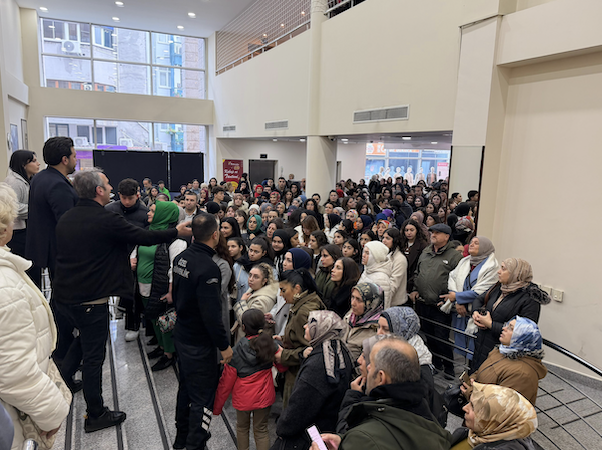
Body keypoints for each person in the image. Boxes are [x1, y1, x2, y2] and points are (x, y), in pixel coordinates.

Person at [52, 169, 193, 433]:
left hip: (63, 297)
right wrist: (175, 231)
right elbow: (144, 236)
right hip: (90, 300)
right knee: (94, 357)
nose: (111, 190)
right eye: (107, 185)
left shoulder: (67, 217)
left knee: (82, 340)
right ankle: (96, 414)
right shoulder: (105, 218)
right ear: (99, 190)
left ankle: (65, 378)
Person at [0, 183, 71, 450]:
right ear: (4, 228)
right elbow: (14, 370)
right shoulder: (5, 285)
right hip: (13, 415)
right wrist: (52, 412)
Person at [314, 337, 453, 450]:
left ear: (381, 377)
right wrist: (344, 441)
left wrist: (351, 442)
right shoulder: (429, 418)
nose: (366, 366)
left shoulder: (363, 438)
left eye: (371, 364)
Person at [172, 213, 233, 449]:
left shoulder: (181, 258)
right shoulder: (209, 268)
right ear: (215, 235)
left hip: (182, 334)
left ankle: (181, 438)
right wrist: (224, 346)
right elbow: (211, 315)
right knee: (203, 399)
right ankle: (195, 443)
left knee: (186, 388)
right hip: (199, 343)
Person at [274, 311, 354, 450]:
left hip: (308, 438)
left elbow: (301, 406)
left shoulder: (318, 364)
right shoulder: (340, 351)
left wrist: (283, 427)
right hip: (326, 428)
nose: (305, 326)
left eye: (310, 323)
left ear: (322, 329)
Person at [133, 201, 187, 371]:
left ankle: (169, 354)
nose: (148, 213)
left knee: (164, 320)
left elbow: (174, 268)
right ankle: (162, 347)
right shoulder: (148, 232)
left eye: (153, 211)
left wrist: (171, 291)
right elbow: (137, 249)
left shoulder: (176, 240)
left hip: (160, 287)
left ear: (164, 215)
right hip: (143, 285)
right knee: (153, 318)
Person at [214, 309, 280, 450]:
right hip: (265, 396)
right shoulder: (270, 344)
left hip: (243, 399)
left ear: (243, 327)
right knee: (261, 429)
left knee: (242, 428)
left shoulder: (236, 351)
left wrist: (217, 407)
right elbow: (282, 363)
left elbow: (226, 382)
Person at [471, 258, 550, 371]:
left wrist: (490, 324)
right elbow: (479, 299)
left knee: (490, 378)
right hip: (482, 344)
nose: (499, 271)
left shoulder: (530, 298)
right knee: (477, 374)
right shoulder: (500, 286)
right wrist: (476, 312)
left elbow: (523, 332)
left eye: (503, 269)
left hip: (504, 355)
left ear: (515, 273)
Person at [409, 223, 463, 379]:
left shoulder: (454, 256)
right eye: (432, 232)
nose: (433, 235)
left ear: (446, 236)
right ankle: (436, 363)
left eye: (437, 233)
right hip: (423, 302)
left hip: (441, 305)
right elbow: (418, 273)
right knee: (429, 336)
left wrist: (450, 298)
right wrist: (415, 289)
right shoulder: (426, 252)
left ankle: (449, 367)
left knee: (441, 338)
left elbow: (459, 280)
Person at [25, 137, 79, 286]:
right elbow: (67, 222)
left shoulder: (40, 177)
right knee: (64, 291)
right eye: (74, 156)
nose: (76, 160)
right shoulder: (58, 185)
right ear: (65, 160)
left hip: (43, 246)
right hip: (59, 251)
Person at [462, 316, 547, 407]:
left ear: (522, 338)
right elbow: (481, 371)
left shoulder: (522, 374)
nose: (504, 328)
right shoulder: (502, 351)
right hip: (477, 408)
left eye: (511, 328)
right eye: (507, 325)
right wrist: (473, 380)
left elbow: (502, 408)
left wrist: (471, 393)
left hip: (485, 412)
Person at [105, 178, 149, 342]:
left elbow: (145, 238)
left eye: (130, 198)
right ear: (119, 195)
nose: (127, 202)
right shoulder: (109, 209)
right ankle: (106, 322)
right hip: (112, 257)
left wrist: (134, 256)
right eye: (124, 198)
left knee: (133, 294)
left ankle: (133, 325)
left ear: (137, 195)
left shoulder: (144, 213)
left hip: (134, 258)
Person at [274, 269, 326, 408]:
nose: (281, 294)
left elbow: (311, 350)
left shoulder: (304, 312)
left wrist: (283, 355)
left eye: (283, 290)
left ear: (297, 289)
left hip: (298, 375)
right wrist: (285, 338)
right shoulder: (307, 302)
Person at [444, 236, 499, 361]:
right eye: (471, 242)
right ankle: (462, 370)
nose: (471, 245)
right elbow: (452, 277)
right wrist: (457, 301)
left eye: (476, 243)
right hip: (460, 310)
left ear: (484, 247)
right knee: (460, 348)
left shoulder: (492, 267)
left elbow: (481, 291)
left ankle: (471, 371)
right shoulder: (464, 261)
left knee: (474, 351)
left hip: (477, 313)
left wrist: (456, 297)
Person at [451, 383, 541, 450]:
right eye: (469, 403)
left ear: (497, 421)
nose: (464, 408)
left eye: (474, 408)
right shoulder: (477, 435)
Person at [4, 150, 40, 257]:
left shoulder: (28, 179)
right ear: (23, 165)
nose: (38, 164)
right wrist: (37, 209)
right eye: (34, 161)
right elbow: (14, 207)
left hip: (25, 229)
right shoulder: (14, 182)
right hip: (17, 232)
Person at [343, 282, 383, 360]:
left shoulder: (376, 330)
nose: (353, 303)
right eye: (352, 297)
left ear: (371, 304)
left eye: (359, 300)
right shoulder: (351, 315)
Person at [233, 236, 276, 303]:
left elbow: (273, 290)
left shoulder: (269, 269)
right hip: (239, 303)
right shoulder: (239, 265)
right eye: (251, 250)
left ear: (263, 253)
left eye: (256, 252)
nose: (252, 254)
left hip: (260, 304)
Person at [358, 241, 392, 305]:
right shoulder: (367, 270)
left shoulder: (382, 279)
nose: (363, 255)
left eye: (367, 253)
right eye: (363, 252)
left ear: (376, 256)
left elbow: (383, 305)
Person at [381, 228, 408, 307]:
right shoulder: (384, 255)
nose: (384, 241)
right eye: (383, 238)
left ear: (395, 240)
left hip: (395, 304)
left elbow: (393, 284)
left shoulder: (400, 259)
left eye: (388, 238)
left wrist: (384, 302)